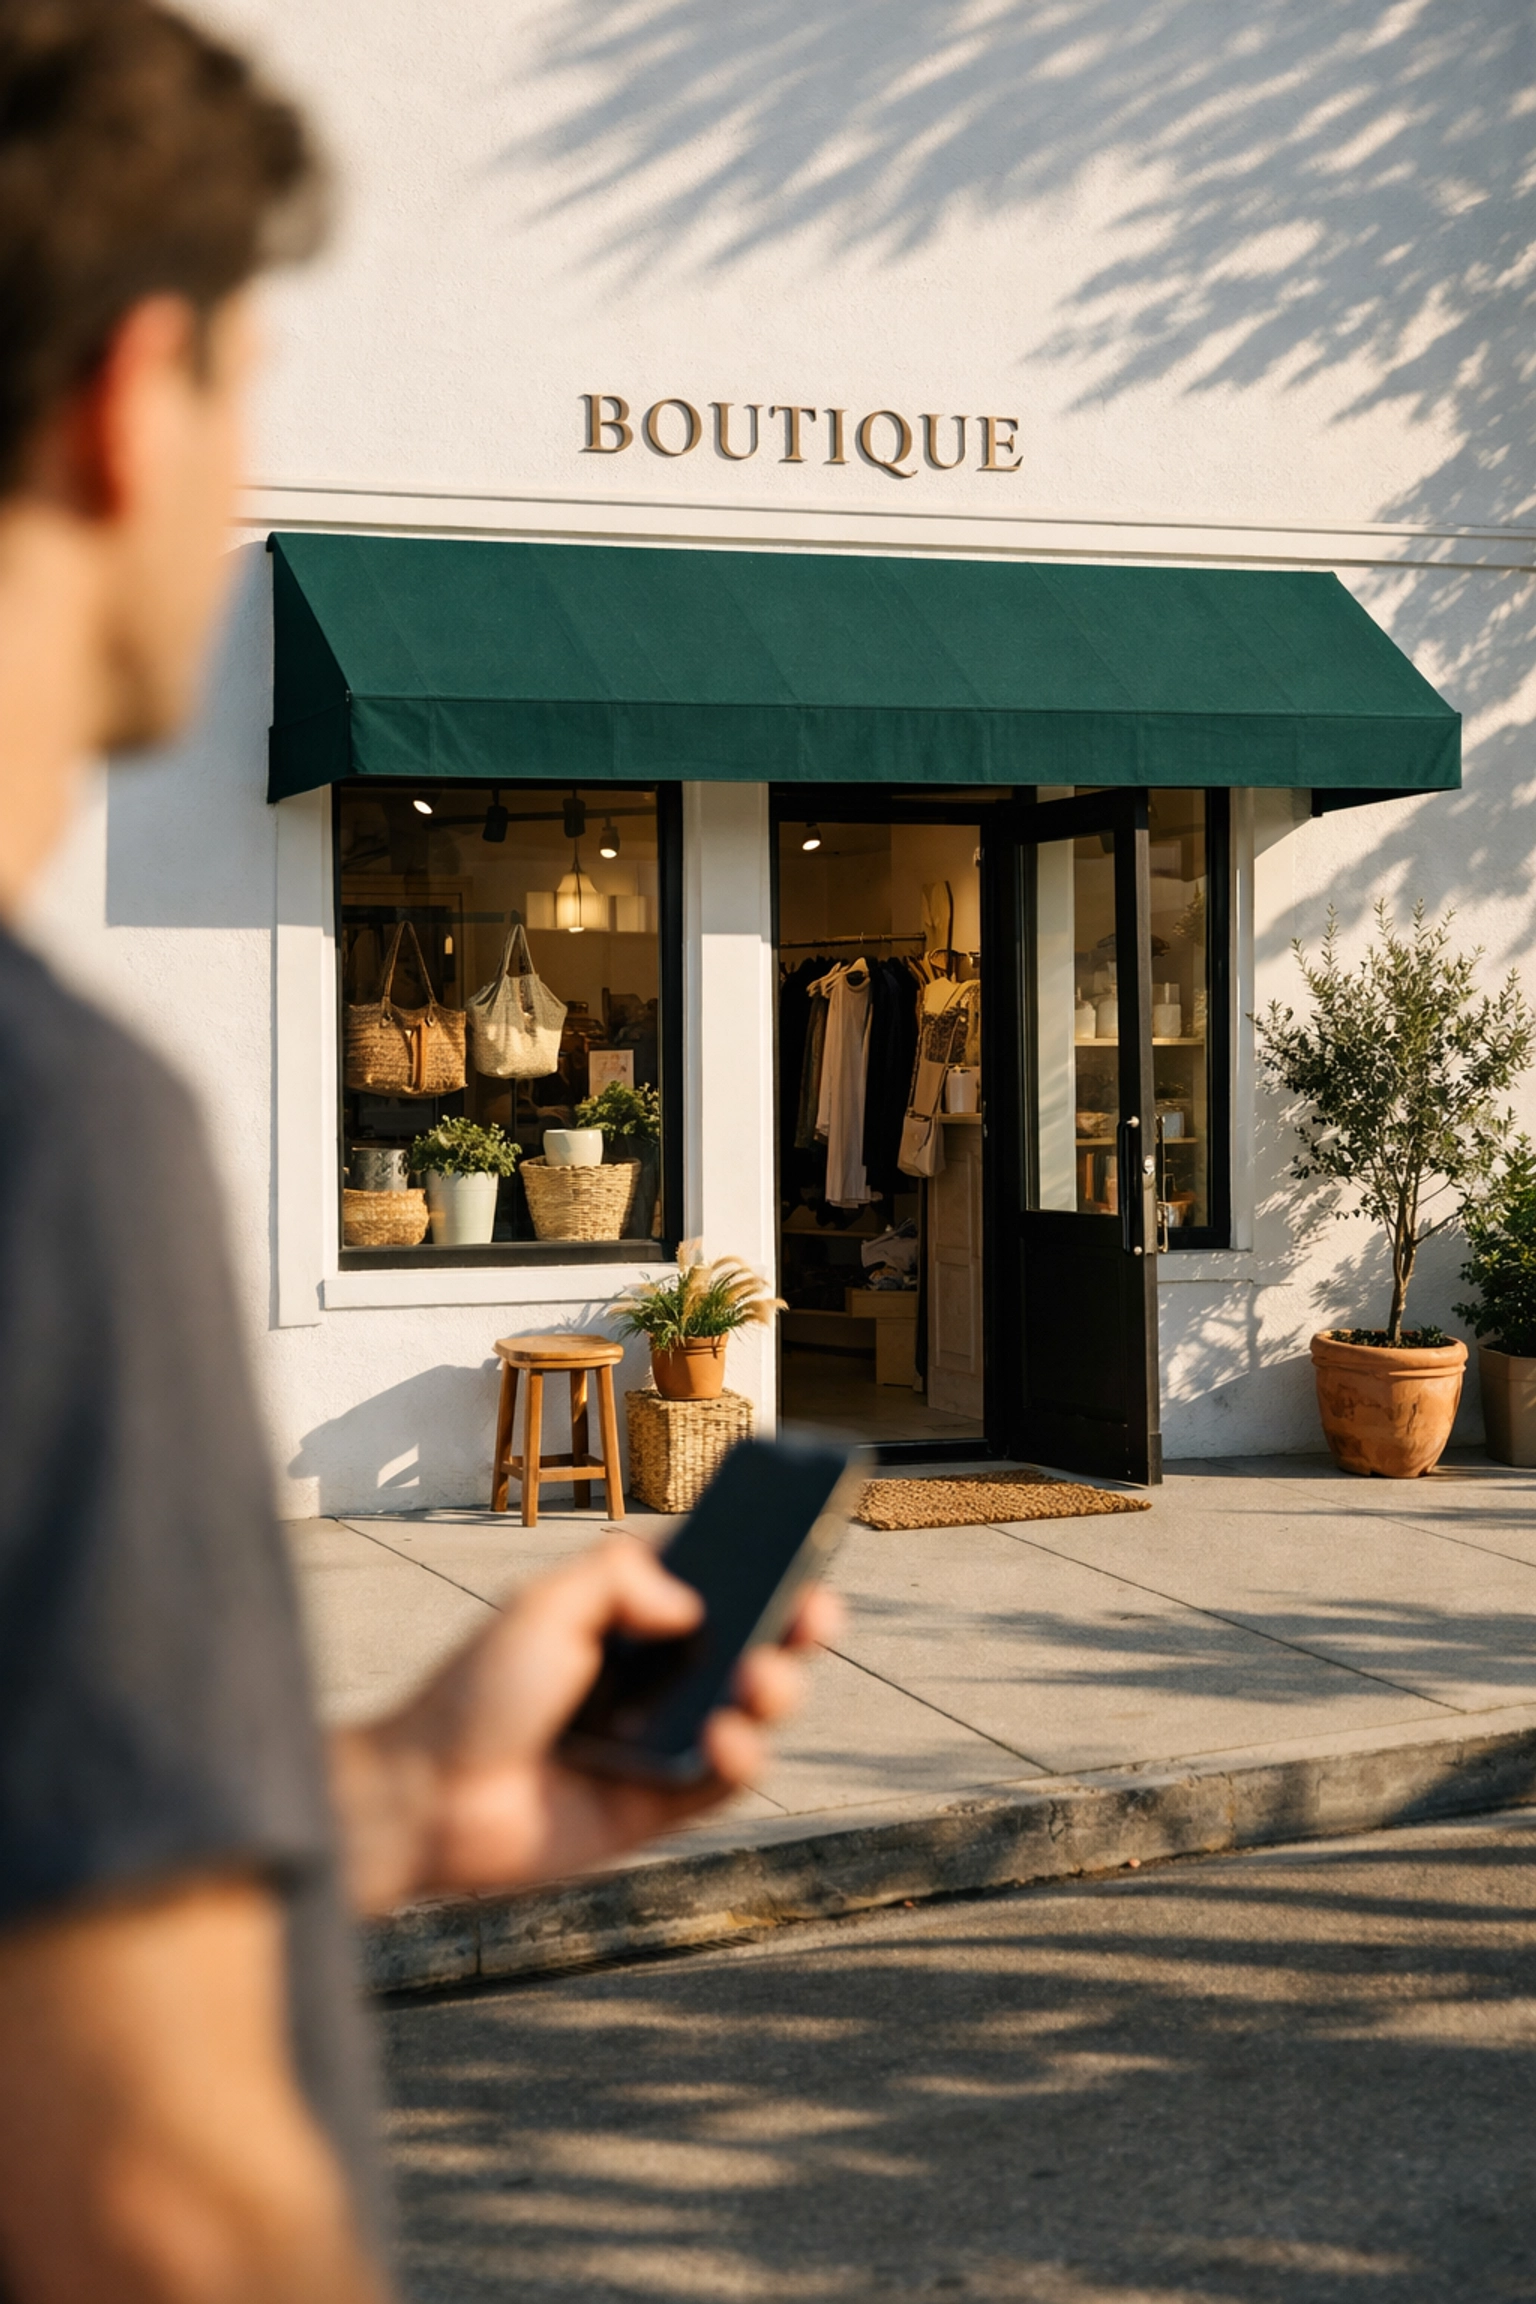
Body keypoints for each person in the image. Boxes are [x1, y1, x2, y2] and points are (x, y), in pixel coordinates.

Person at [0, 6, 837, 2298]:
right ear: (130, 393)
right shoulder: (57, 1136)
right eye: (248, 388)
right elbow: (160, 2193)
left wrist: (386, 1796)